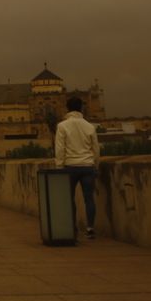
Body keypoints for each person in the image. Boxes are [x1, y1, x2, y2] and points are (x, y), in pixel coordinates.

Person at [54, 95, 101, 239]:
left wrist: (59, 166)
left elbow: (60, 149)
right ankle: (90, 227)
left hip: (70, 166)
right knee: (89, 199)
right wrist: (95, 165)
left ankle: (72, 228)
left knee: (69, 199)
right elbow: (96, 149)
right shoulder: (89, 126)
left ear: (67, 108)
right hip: (87, 166)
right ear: (81, 108)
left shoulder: (62, 126)